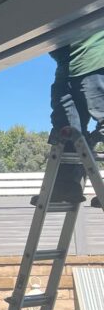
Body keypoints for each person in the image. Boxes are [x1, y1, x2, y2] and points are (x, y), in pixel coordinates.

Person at [38, 31, 104, 205]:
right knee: (67, 133)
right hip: (65, 70)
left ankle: (65, 184)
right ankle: (65, 186)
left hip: (95, 63)